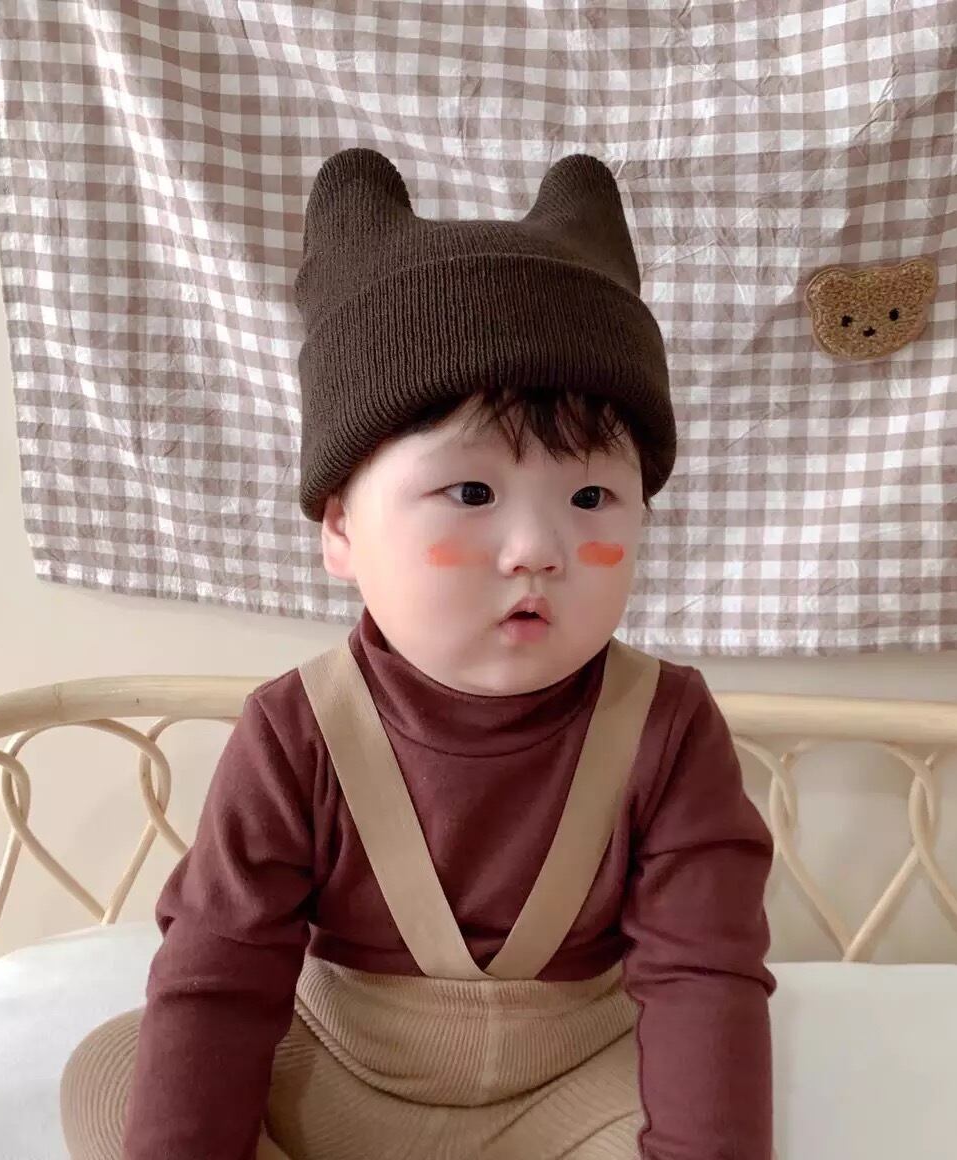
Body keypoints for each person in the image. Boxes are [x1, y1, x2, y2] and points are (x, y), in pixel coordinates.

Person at [60, 146, 776, 1160]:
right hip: (342, 1071)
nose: (536, 548)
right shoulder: (296, 730)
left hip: (571, 1086)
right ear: (341, 527)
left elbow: (705, 974)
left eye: (591, 497)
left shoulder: (667, 726)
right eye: (472, 492)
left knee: (696, 1103)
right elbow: (221, 977)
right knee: (116, 1071)